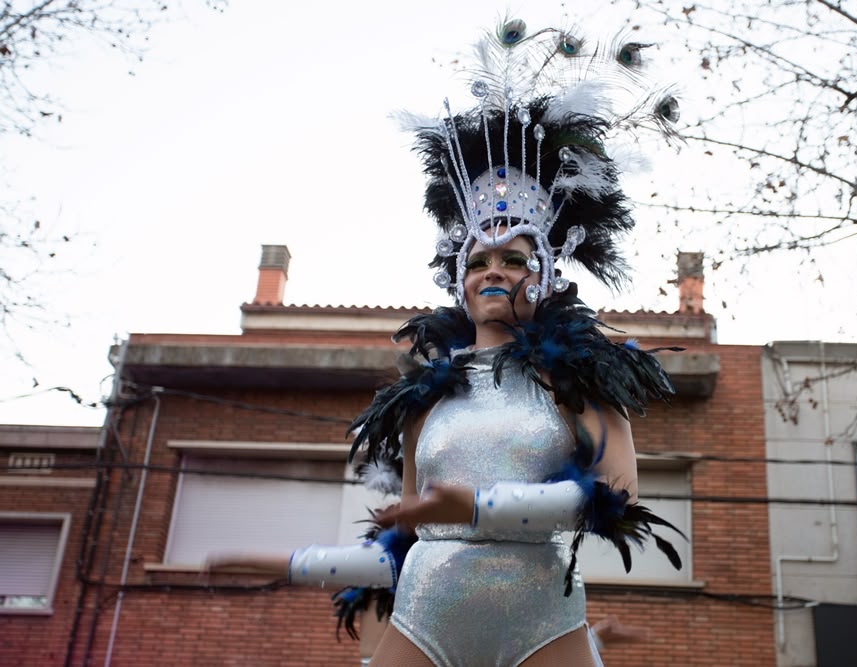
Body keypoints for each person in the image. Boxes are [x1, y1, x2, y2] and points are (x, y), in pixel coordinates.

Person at [207, 17, 685, 667]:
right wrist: (285, 562)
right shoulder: (424, 402)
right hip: (425, 617)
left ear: (544, 275)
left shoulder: (580, 377)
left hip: (543, 623)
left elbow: (616, 496)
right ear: (460, 281)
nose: (494, 270)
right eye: (478, 260)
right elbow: (399, 549)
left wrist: (480, 506)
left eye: (513, 259)